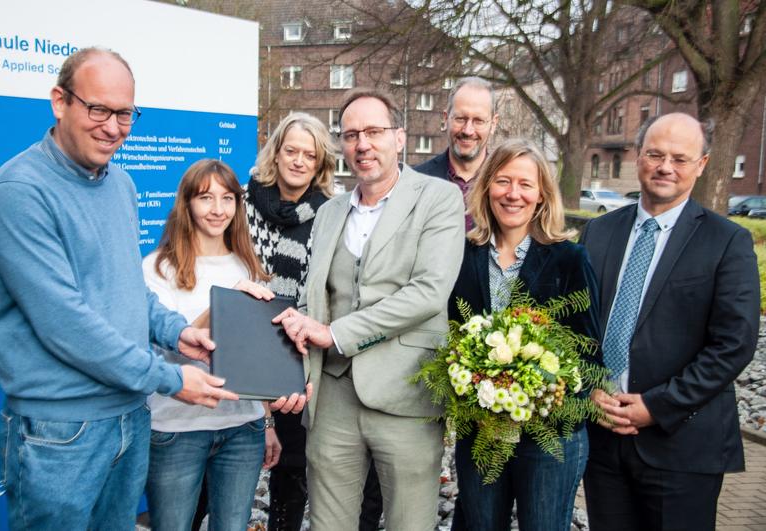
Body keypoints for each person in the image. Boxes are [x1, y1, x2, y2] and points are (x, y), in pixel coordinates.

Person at [0, 48, 241, 530]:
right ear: (60, 102)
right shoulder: (19, 192)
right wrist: (169, 379)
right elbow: (65, 323)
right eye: (98, 109)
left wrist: (174, 332)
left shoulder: (120, 183)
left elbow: (126, 289)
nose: (113, 126)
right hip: (61, 431)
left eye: (125, 113)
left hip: (129, 414)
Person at [273, 88, 465, 531]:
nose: (363, 144)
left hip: (407, 391)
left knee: (408, 523)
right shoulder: (329, 212)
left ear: (400, 137)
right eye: (352, 134)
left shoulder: (438, 199)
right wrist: (280, 321)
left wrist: (337, 333)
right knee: (328, 523)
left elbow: (429, 292)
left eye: (374, 131)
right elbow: (311, 298)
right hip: (333, 394)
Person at [580, 112, 760, 531]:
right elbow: (577, 325)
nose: (665, 166)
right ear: (639, 157)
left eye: (680, 158)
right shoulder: (598, 233)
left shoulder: (727, 242)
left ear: (701, 165)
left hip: (682, 445)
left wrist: (657, 406)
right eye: (655, 154)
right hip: (604, 438)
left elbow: (734, 343)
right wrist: (588, 388)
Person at [448, 138, 600, 530]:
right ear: (486, 188)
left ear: (542, 195)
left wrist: (543, 396)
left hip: (549, 439)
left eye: (525, 184)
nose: (512, 194)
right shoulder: (462, 255)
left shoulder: (569, 259)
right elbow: (448, 336)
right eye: (502, 181)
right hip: (482, 432)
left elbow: (589, 352)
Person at [246, 112, 384, 531]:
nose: (299, 161)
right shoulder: (240, 201)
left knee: (289, 465)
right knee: (226, 459)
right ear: (276, 152)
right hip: (242, 339)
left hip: (296, 349)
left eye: (310, 154)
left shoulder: (332, 214)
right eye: (291, 151)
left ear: (321, 162)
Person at [142, 159, 281, 530]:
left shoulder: (248, 266)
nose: (218, 209)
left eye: (227, 198)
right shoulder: (157, 268)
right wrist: (223, 304)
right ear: (186, 204)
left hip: (242, 427)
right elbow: (172, 345)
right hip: (176, 428)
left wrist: (267, 422)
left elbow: (256, 354)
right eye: (205, 198)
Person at [415, 76, 498, 228]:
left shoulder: (507, 186)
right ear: (445, 119)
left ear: (493, 124)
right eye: (460, 118)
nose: (468, 130)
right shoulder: (416, 182)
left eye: (479, 120)